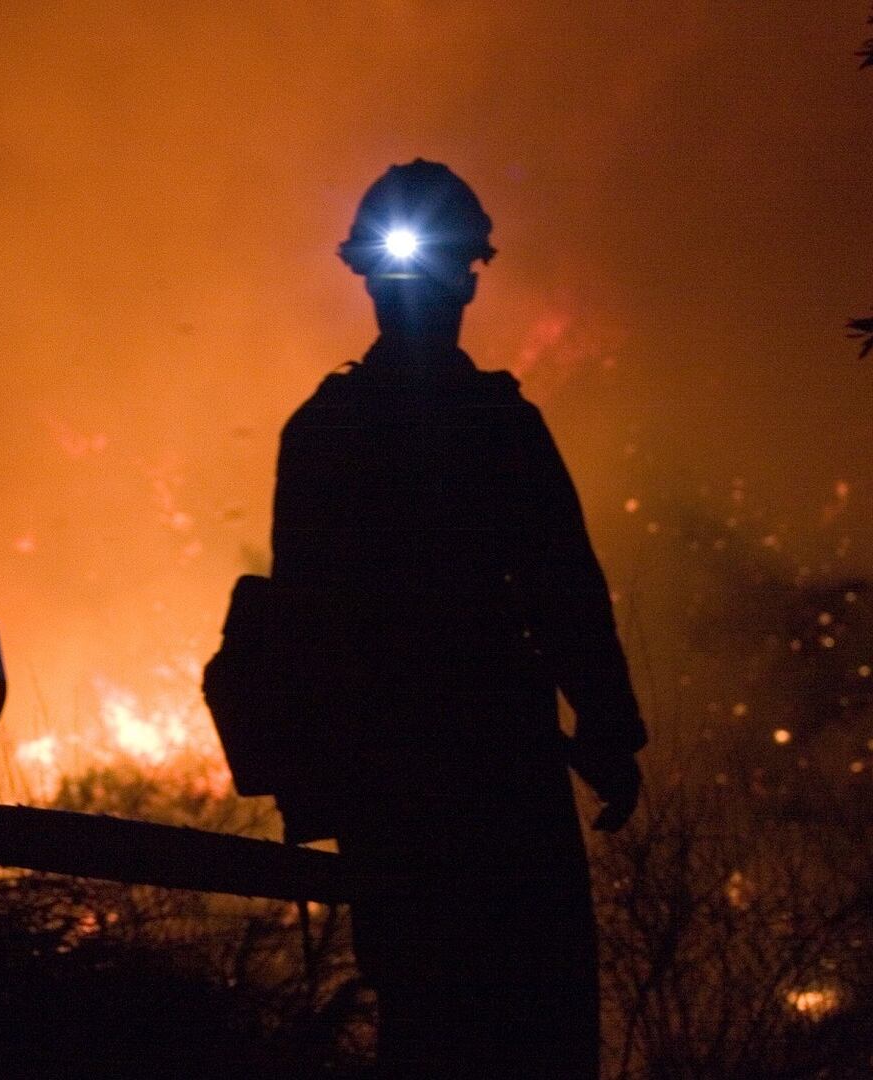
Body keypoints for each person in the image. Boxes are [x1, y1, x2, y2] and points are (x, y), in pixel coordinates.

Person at [266, 160, 644, 1078]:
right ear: (472, 275)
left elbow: (302, 619)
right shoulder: (492, 424)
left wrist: (323, 781)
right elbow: (564, 588)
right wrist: (607, 731)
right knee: (531, 1017)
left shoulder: (328, 430)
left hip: (401, 782)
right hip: (489, 768)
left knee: (431, 1023)